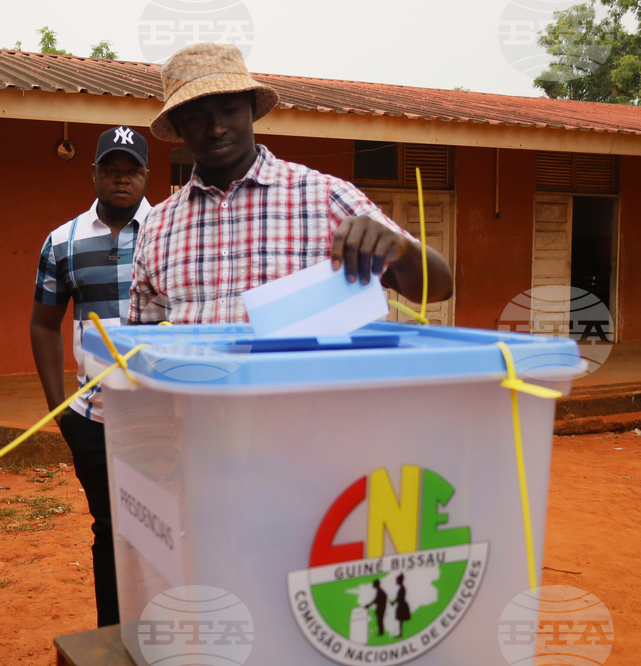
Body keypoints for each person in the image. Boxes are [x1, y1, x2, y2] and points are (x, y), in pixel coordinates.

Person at [129, 43, 452, 325]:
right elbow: (143, 334)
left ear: (252, 109)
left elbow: (438, 288)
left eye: (229, 110)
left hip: (303, 380)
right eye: (197, 117)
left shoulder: (326, 198)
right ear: (177, 126)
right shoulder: (158, 225)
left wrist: (400, 247)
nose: (216, 129)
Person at [31, 125, 151, 627]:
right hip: (94, 417)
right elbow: (44, 324)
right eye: (111, 169)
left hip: (162, 415)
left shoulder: (170, 233)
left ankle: (165, 635)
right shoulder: (63, 241)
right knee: (109, 530)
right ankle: (113, 639)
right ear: (94, 173)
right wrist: (60, 410)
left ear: (146, 176)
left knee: (166, 529)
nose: (122, 179)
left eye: (132, 170)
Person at [391, 573, 411, 638]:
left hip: (402, 605)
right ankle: (400, 633)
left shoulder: (402, 588)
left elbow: (400, 598)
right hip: (401, 604)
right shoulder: (401, 588)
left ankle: (401, 633)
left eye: (397, 580)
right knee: (400, 621)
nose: (396, 582)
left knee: (401, 620)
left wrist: (393, 602)